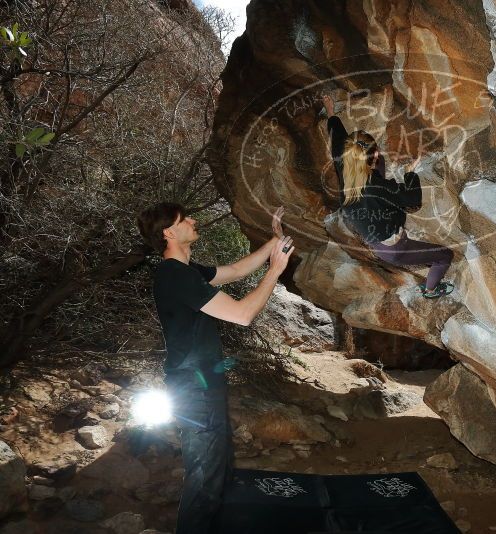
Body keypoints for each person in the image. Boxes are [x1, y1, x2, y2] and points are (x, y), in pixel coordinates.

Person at [136, 203, 294, 534]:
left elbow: (236, 270)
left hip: (200, 384)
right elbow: (242, 314)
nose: (194, 221)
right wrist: (275, 270)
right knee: (205, 480)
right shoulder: (175, 275)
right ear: (169, 232)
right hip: (195, 390)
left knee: (212, 472)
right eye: (185, 219)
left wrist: (272, 242)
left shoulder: (186, 271)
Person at [322, 94, 454, 298]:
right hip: (393, 250)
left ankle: (423, 261)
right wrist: (410, 173)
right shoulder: (381, 189)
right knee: (445, 256)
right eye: (375, 154)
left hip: (368, 227)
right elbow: (412, 200)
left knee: (378, 166)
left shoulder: (344, 166)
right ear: (370, 157)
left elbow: (337, 138)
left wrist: (330, 112)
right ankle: (430, 290)